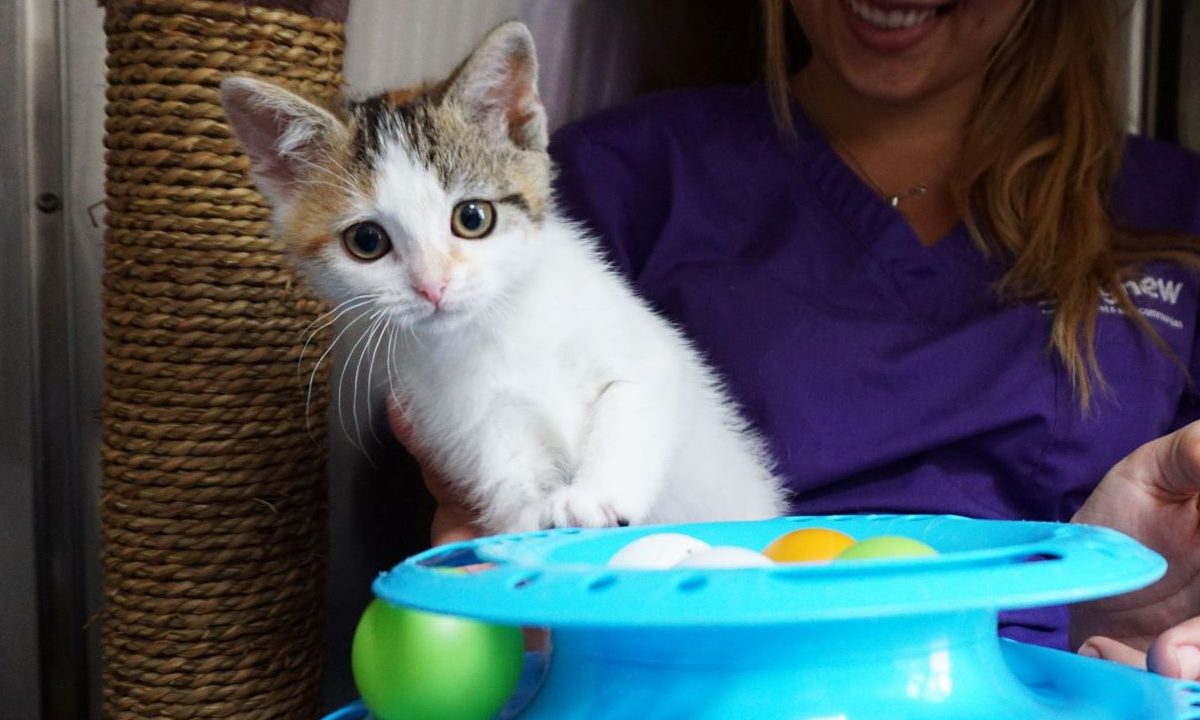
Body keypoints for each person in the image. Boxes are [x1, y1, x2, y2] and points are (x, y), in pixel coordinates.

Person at [389, 0, 1200, 679]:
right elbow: (517, 571)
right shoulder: (613, 187)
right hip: (707, 684)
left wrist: (1111, 605)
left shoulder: (1176, 208)